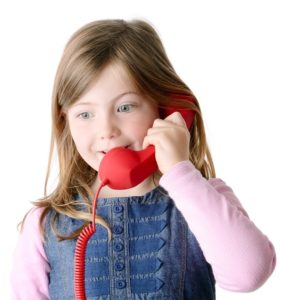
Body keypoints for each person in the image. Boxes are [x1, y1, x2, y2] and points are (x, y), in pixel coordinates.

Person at [11, 19, 276, 299]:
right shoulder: (45, 224)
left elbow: (249, 275)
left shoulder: (203, 200)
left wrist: (180, 173)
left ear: (163, 109)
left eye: (125, 107)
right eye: (85, 114)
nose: (107, 131)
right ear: (66, 121)